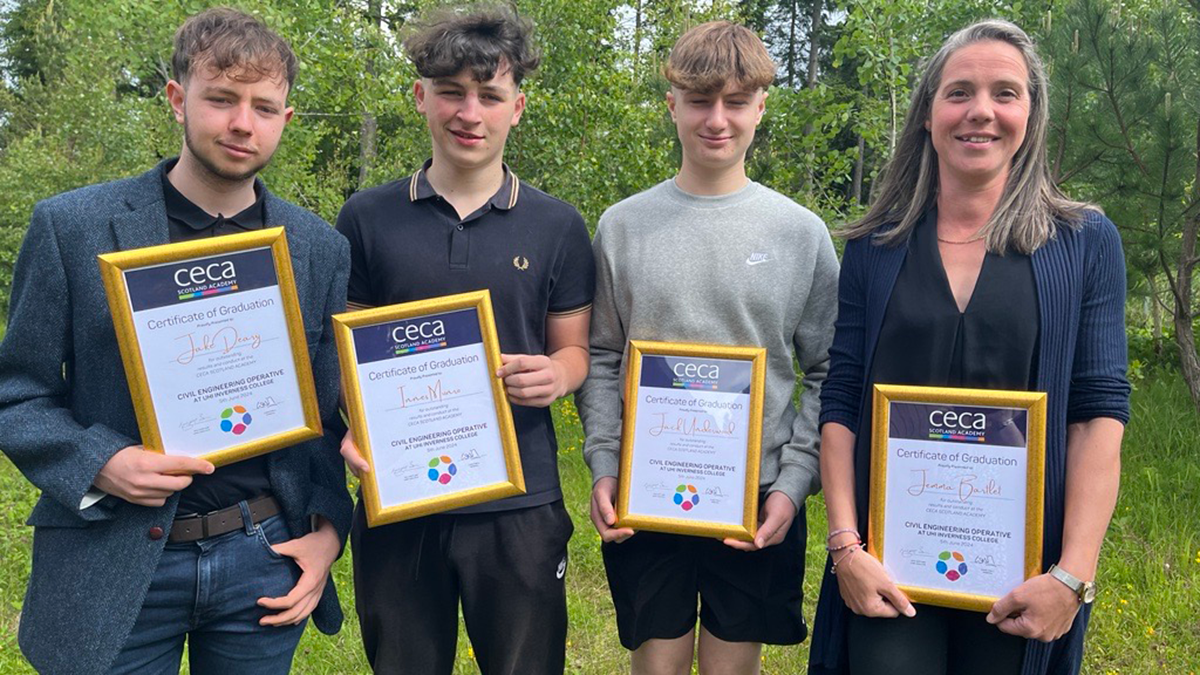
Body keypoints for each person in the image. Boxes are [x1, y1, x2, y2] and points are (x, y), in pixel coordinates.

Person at [0, 8, 353, 674]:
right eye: (220, 99)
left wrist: (329, 533)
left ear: (286, 119)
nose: (241, 122)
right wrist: (100, 461)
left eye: (263, 106)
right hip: (115, 552)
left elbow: (327, 417)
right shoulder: (72, 227)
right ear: (176, 98)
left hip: (264, 555)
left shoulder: (318, 250)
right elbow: (16, 392)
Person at [808, 19, 1129, 675]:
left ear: (1030, 115)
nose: (981, 111)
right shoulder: (875, 248)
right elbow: (841, 402)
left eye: (1004, 93)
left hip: (1024, 573)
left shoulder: (1085, 243)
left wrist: (1071, 577)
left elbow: (1097, 416)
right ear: (929, 114)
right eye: (959, 92)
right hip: (888, 564)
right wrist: (845, 547)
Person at [334, 6, 594, 674]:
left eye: (490, 95)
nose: (469, 112)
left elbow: (575, 349)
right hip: (401, 496)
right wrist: (352, 419)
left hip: (519, 502)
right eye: (451, 91)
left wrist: (558, 376)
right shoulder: (367, 217)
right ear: (421, 95)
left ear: (518, 107)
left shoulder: (558, 225)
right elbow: (349, 353)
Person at [575, 21, 839, 675]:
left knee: (731, 666)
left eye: (734, 101)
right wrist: (605, 462)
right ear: (672, 104)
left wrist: (794, 482)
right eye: (699, 100)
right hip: (647, 494)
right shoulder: (623, 226)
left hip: (755, 497)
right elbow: (603, 354)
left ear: (761, 106)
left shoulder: (800, 234)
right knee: (656, 664)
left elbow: (829, 367)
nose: (716, 119)